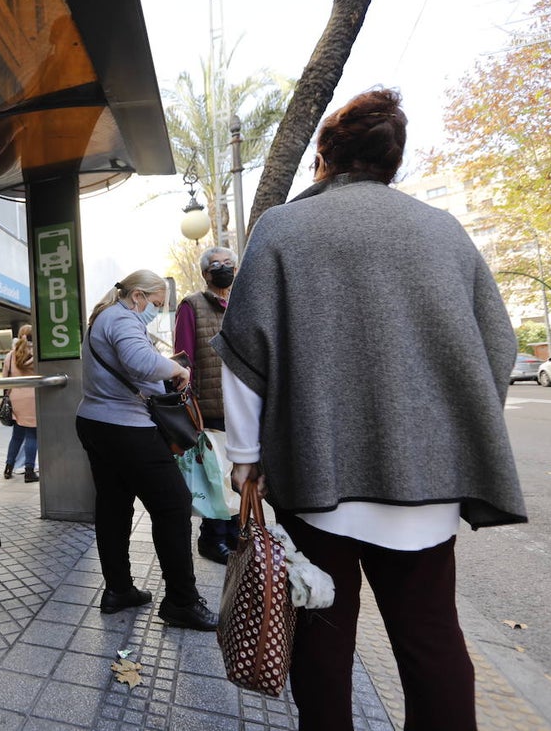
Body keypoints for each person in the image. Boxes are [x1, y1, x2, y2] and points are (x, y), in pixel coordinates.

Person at [211, 88, 527, 731]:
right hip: (429, 484)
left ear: (323, 156)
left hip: (317, 476)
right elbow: (499, 345)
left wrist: (245, 459)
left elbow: (243, 354)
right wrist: (452, 431)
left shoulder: (282, 228)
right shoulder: (443, 230)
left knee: (323, 648)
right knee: (433, 643)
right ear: (392, 162)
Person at [75, 270, 219, 631]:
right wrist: (176, 369)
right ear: (137, 295)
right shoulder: (122, 317)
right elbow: (141, 363)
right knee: (172, 504)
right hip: (126, 428)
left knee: (113, 505)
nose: (154, 311)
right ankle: (181, 602)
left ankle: (119, 590)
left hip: (96, 423)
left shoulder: (103, 318)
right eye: (155, 304)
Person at [173, 246, 241, 564]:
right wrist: (191, 405)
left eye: (229, 263)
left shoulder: (244, 302)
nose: (224, 268)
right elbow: (184, 359)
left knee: (241, 472)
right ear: (205, 273)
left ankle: (235, 533)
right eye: (216, 264)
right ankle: (213, 538)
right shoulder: (192, 306)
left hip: (243, 405)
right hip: (210, 407)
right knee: (216, 475)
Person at [2, 324, 38, 483]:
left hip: (15, 399)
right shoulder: (37, 354)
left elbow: (5, 378)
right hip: (33, 399)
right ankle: (29, 471)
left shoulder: (10, 355)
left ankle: (8, 468)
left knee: (16, 436)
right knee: (32, 435)